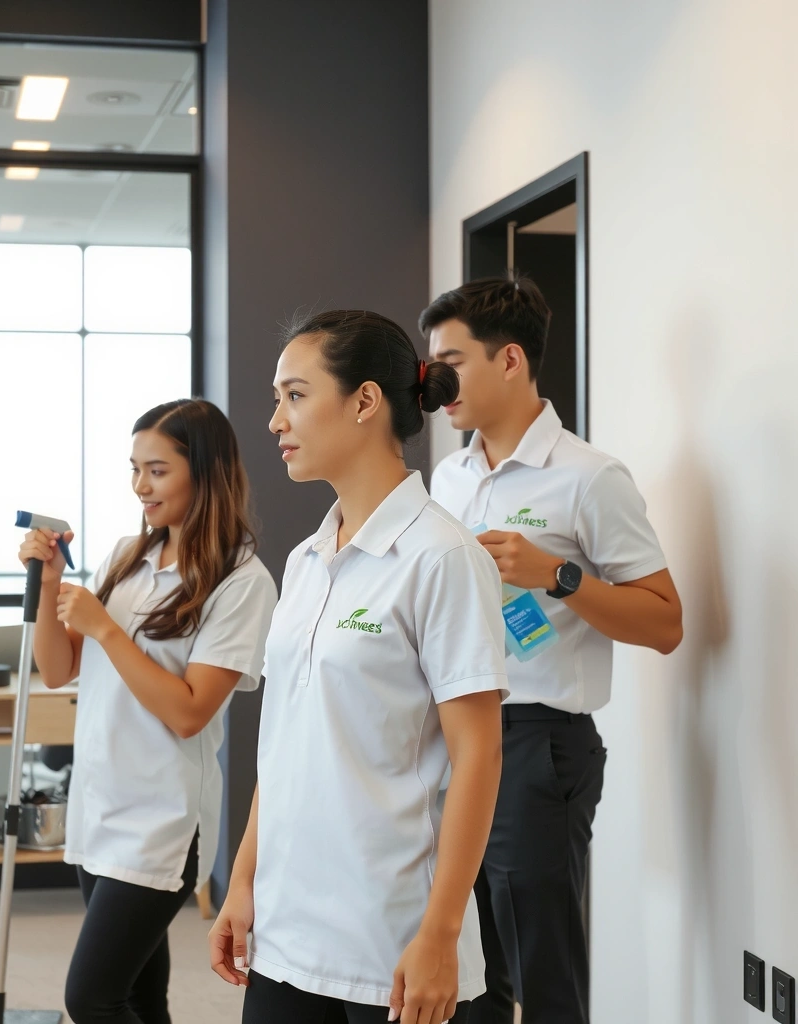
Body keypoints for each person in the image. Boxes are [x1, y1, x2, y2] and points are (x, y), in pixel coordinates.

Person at [208, 310, 510, 1024]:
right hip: (285, 928)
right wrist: (244, 880)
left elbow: (480, 756)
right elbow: (284, 744)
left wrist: (441, 935)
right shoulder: (305, 561)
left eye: (295, 395)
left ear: (365, 401)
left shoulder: (442, 558)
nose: (276, 419)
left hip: (391, 940)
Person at [420, 276, 684, 1024]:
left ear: (509, 360)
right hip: (453, 733)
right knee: (466, 960)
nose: (435, 381)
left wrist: (556, 575)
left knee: (541, 967)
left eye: (451, 360)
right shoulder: (449, 474)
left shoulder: (590, 476)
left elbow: (666, 623)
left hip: (538, 742)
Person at [18, 398, 278, 1024]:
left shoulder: (242, 582)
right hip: (100, 803)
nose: (140, 486)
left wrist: (107, 630)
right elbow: (56, 671)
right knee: (137, 995)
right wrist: (51, 582)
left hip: (162, 822)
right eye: (134, 469)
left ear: (206, 472)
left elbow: (189, 712)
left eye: (157, 470)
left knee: (91, 998)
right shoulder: (123, 558)